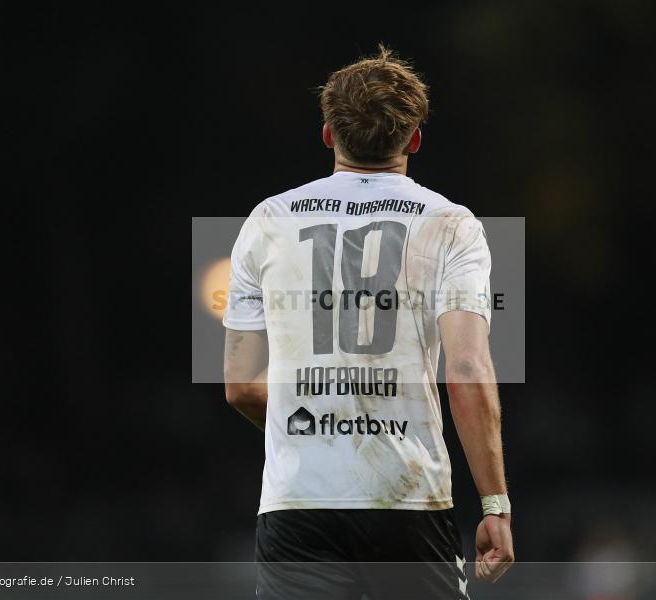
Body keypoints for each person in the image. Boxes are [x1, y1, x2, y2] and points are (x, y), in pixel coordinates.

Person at [222, 44, 514, 599]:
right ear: (415, 139)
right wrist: (494, 503)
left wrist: (314, 431)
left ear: (328, 134)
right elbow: (467, 367)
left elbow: (240, 386)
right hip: (408, 496)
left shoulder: (267, 220)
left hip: (299, 501)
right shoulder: (451, 224)